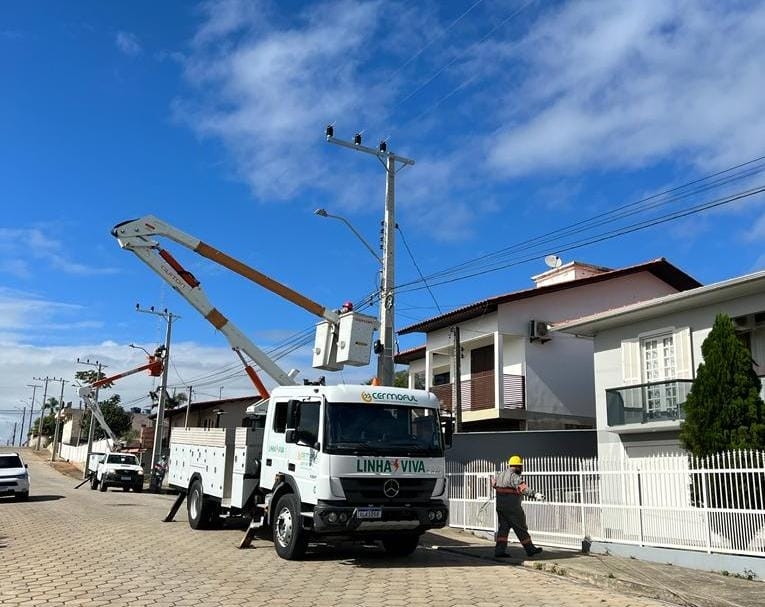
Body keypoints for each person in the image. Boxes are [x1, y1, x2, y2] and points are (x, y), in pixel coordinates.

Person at [491, 454, 544, 558]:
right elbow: (523, 488)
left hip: (501, 508)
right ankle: (530, 549)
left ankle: (499, 551)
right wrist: (535, 494)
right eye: (521, 466)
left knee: (503, 530)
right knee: (521, 528)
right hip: (513, 509)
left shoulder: (500, 475)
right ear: (518, 466)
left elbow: (494, 484)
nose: (522, 469)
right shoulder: (514, 476)